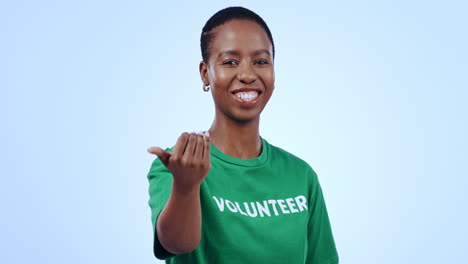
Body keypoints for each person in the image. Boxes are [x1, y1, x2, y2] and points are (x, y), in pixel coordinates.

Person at [146, 6, 339, 264]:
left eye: (261, 61)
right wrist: (185, 186)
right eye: (230, 62)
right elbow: (177, 243)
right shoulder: (179, 165)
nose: (248, 75)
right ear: (206, 73)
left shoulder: (301, 175)